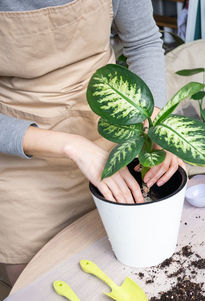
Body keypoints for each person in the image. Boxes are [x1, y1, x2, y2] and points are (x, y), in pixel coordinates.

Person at [0, 0, 183, 285]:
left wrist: (153, 119)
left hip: (110, 133)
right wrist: (72, 145)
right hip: (24, 153)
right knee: (41, 283)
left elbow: (143, 42)